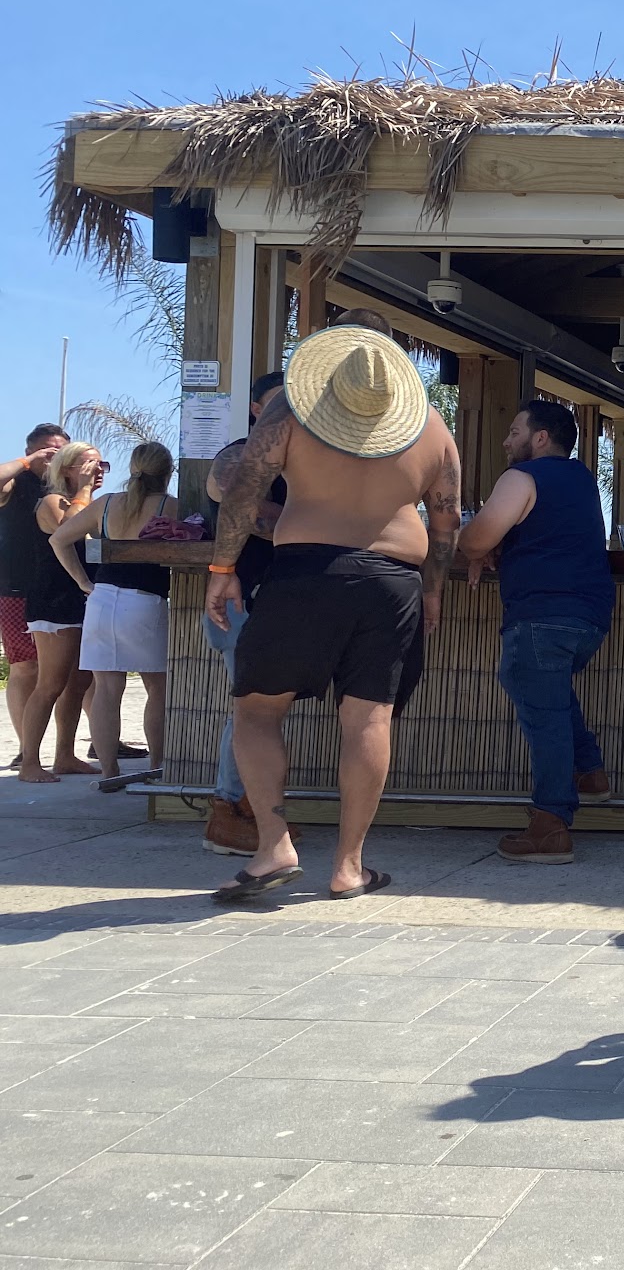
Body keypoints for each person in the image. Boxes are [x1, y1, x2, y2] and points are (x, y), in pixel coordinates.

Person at [204, 324, 461, 902]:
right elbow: (447, 522)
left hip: (306, 573)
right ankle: (349, 868)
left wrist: (223, 568)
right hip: (394, 582)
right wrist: (433, 592)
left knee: (257, 711)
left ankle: (274, 847)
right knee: (369, 721)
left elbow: (244, 487)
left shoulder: (292, 412)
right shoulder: (432, 428)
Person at [458, 399, 616, 864]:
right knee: (551, 695)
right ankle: (589, 773)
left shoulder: (522, 477)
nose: (506, 442)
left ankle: (551, 825)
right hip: (589, 616)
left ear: (540, 437)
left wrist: (475, 546)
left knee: (542, 712)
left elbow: (476, 537)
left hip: (541, 612)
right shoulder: (582, 480)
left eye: (514, 432)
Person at [201, 373, 299, 854]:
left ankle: (252, 813)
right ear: (257, 410)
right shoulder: (238, 454)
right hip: (239, 601)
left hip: (269, 601)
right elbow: (240, 502)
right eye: (280, 402)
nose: (291, 411)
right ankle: (229, 813)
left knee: (259, 710)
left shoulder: (296, 461)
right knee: (250, 709)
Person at [51, 442, 177, 783]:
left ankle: (109, 771)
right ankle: (157, 765)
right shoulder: (170, 505)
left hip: (103, 599)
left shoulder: (106, 503)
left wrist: (83, 582)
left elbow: (59, 539)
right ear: (168, 472)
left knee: (106, 689)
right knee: (158, 688)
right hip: (145, 600)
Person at [16, 441, 104, 783]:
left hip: (81, 598)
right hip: (53, 600)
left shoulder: (89, 502)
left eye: (101, 466)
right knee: (50, 683)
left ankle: (65, 755)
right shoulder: (52, 502)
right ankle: (29, 762)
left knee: (79, 682)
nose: (98, 472)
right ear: (67, 469)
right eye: (90, 465)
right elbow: (70, 527)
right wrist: (83, 490)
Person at [1, 423, 69, 761]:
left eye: (60, 450)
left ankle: (82, 746)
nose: (53, 456)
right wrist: (30, 461)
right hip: (17, 586)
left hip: (60, 585)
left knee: (76, 671)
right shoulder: (17, 483)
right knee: (26, 667)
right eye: (48, 449)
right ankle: (26, 748)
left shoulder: (67, 485)